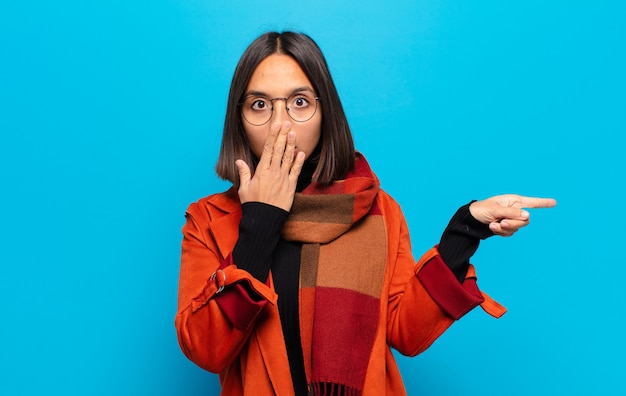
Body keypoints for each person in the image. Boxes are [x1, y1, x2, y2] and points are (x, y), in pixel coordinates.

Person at [175, 31, 556, 396]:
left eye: (300, 102)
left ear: (327, 112)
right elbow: (205, 350)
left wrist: (466, 228)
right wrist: (260, 225)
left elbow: (405, 331)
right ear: (238, 117)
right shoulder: (208, 219)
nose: (280, 124)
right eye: (260, 104)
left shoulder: (377, 210)